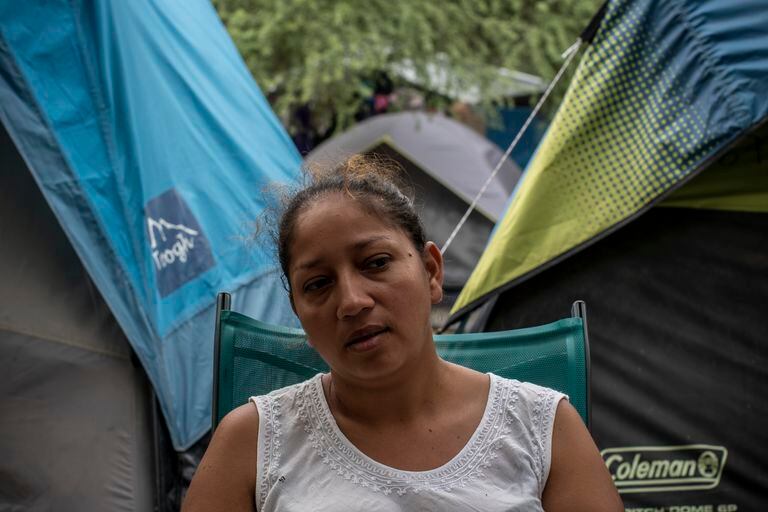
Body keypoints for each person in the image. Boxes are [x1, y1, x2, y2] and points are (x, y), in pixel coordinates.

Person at [183, 156, 623, 511]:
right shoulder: (253, 442)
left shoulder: (541, 427)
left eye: (375, 263)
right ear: (298, 313)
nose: (352, 301)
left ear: (431, 271)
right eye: (318, 284)